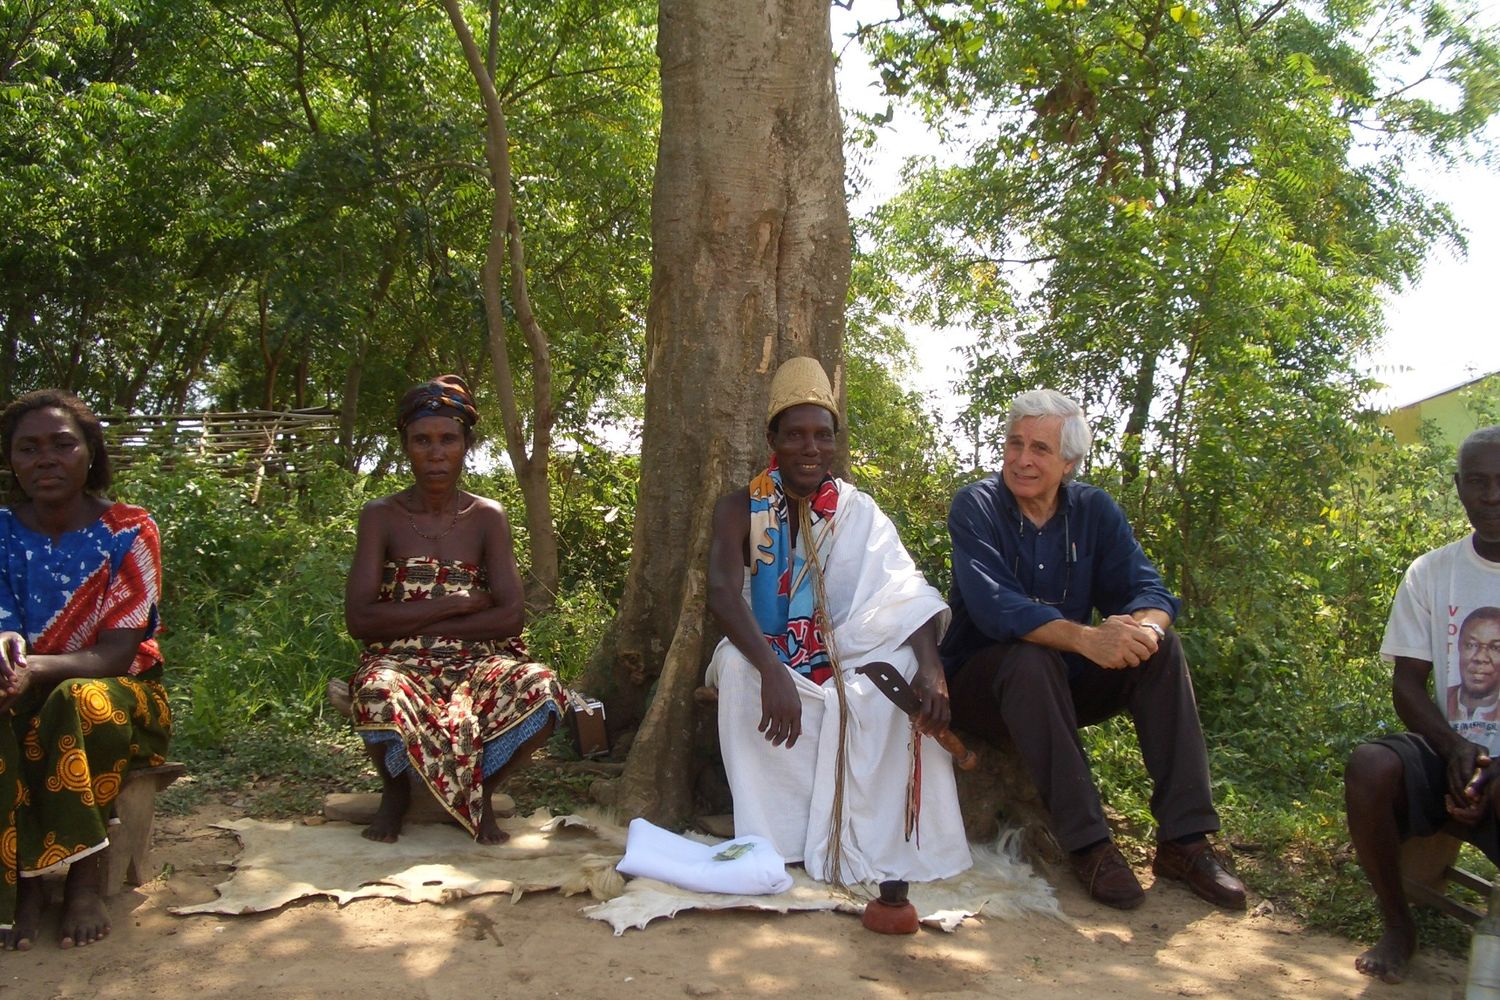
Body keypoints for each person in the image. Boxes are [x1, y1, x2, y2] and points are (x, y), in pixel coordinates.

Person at [942, 389, 1245, 911]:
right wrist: (1086, 638)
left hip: (1059, 686)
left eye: (1040, 448)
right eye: (1015, 444)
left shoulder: (1093, 511)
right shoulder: (978, 505)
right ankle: (1089, 845)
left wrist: (1143, 631)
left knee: (1162, 648)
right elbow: (998, 611)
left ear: (1070, 463)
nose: (1023, 460)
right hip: (982, 685)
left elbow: (1150, 591)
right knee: (1030, 657)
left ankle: (1185, 842)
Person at [705, 357, 972, 886]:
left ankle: (873, 836)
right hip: (770, 654)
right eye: (797, 435)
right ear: (772, 439)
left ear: (835, 442)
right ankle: (775, 840)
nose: (811, 448)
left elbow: (903, 590)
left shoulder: (858, 510)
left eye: (822, 436)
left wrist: (931, 668)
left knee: (899, 663)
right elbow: (720, 590)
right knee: (737, 666)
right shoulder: (740, 507)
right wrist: (774, 671)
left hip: (842, 652)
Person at [344, 376, 562, 845]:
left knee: (542, 689)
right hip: (399, 662)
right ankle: (395, 793)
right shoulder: (380, 516)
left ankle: (479, 793)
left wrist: (413, 617)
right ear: (406, 446)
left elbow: (510, 619)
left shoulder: (487, 516)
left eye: (448, 439)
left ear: (466, 445)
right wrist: (456, 605)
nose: (436, 452)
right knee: (378, 689)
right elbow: (360, 621)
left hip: (477, 662)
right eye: (422, 440)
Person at [0, 389, 172, 951]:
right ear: (11, 461)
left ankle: (84, 875)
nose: (45, 459)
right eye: (28, 448)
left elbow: (116, 654)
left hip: (122, 698)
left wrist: (31, 668)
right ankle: (22, 882)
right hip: (16, 688)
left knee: (78, 700)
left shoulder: (129, 529)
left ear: (90, 454)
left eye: (62, 445)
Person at [1345, 425, 1500, 984]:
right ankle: (1397, 927)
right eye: (1478, 482)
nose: (1492, 496)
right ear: (1459, 488)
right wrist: (1457, 747)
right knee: (1370, 766)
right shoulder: (1431, 573)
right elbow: (1408, 685)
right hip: (1450, 753)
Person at [1445, 607, 1500, 722]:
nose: (1480, 657)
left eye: (1495, 647)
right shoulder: (1442, 702)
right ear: (1459, 647)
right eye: (1471, 645)